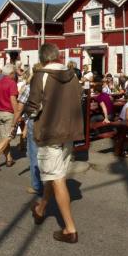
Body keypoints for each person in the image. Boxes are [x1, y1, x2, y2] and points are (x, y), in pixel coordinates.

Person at [28, 43, 83, 243]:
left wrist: (26, 118)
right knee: (56, 173)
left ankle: (70, 229)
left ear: (43, 58)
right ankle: (41, 208)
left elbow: (34, 107)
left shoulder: (40, 76)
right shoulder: (73, 75)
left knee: (56, 177)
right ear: (58, 56)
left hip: (50, 133)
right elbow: (79, 98)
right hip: (69, 132)